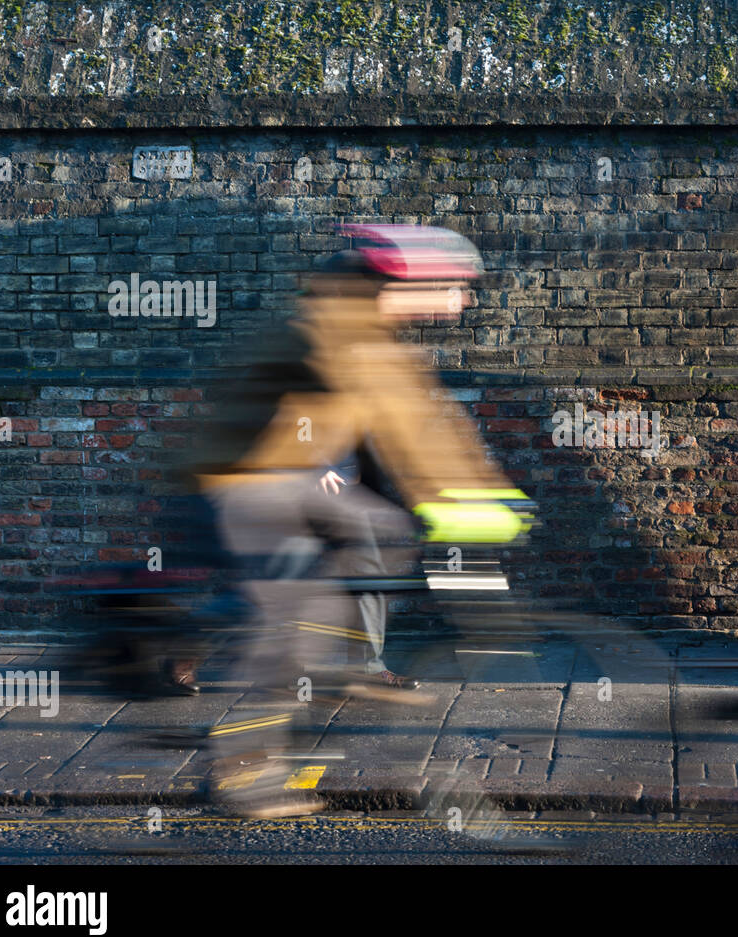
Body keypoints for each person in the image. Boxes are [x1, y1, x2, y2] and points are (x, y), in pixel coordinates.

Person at [195, 225, 532, 817]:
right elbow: (414, 431)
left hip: (293, 487)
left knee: (387, 529)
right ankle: (243, 772)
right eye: (456, 286)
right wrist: (466, 499)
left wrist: (478, 495)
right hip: (247, 488)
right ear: (410, 281)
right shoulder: (347, 331)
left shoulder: (367, 329)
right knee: (295, 627)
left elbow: (426, 426)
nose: (464, 300)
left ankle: (344, 653)